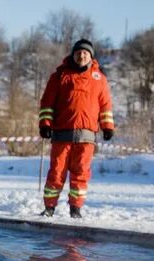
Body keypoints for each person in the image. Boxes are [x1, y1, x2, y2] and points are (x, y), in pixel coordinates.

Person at [38, 38, 114, 219]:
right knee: (56, 172)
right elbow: (47, 103)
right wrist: (45, 124)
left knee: (81, 173)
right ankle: (49, 208)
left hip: (86, 137)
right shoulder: (59, 76)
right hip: (61, 134)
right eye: (78, 52)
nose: (82, 55)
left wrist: (107, 126)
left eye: (85, 53)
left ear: (91, 56)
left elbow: (105, 105)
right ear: (73, 55)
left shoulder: (100, 79)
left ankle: (75, 209)